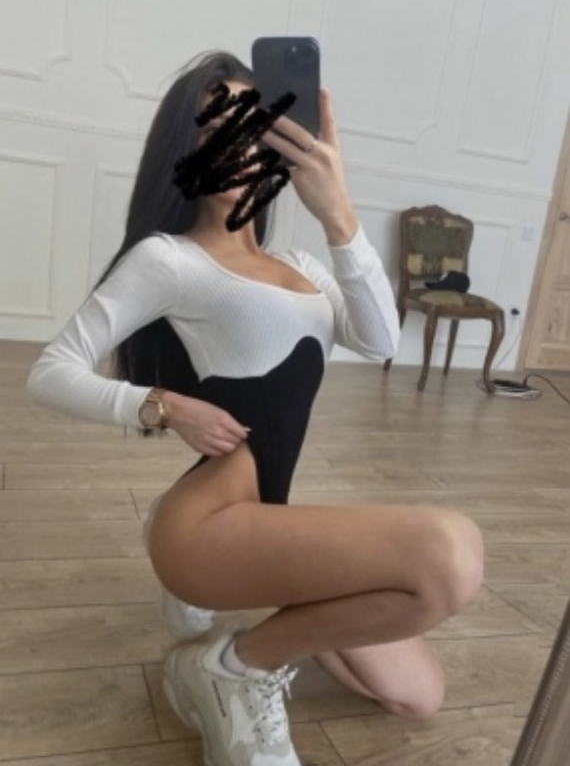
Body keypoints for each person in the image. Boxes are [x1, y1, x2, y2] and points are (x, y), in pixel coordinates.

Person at [27, 50, 484, 766]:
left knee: (418, 695)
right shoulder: (171, 259)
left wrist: (339, 215)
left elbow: (380, 339)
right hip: (207, 524)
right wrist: (162, 406)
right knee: (448, 555)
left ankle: (248, 642)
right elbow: (50, 372)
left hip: (267, 515)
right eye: (217, 130)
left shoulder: (303, 269)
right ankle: (233, 670)